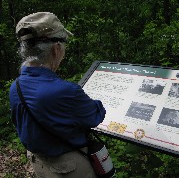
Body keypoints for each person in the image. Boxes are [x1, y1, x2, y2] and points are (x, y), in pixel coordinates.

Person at [9, 12, 106, 178]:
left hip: (38, 162)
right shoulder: (65, 91)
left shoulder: (16, 85)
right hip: (68, 168)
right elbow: (95, 116)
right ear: (56, 49)